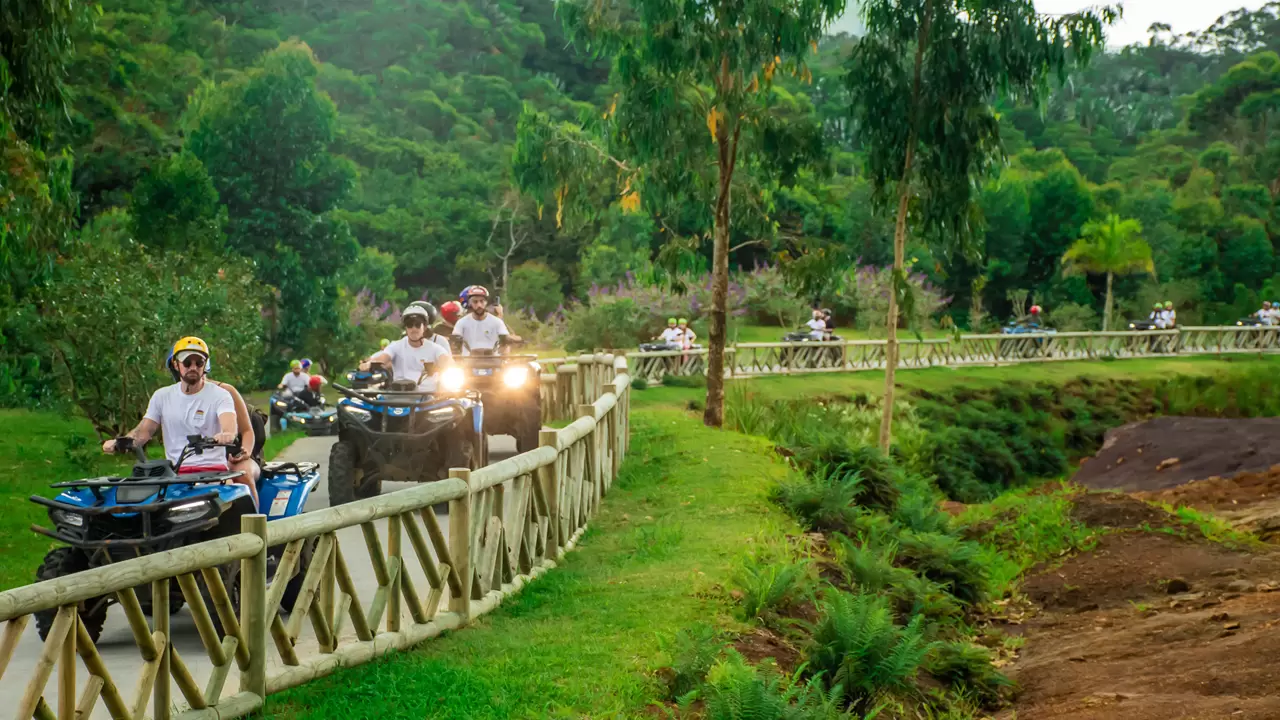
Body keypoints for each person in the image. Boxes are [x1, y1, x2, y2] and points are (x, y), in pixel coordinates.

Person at [105, 337, 256, 503]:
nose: (193, 367)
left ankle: (257, 525)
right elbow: (145, 431)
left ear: (205, 365)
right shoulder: (162, 396)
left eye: (199, 363)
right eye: (187, 362)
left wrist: (226, 434)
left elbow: (229, 425)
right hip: (174, 475)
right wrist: (121, 442)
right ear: (176, 365)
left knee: (236, 498)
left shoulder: (221, 395)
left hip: (214, 473)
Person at [362, 305, 452, 390]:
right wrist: (369, 364)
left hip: (428, 400)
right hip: (399, 397)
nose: (413, 329)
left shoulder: (435, 348)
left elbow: (446, 361)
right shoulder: (395, 346)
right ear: (406, 328)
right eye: (409, 325)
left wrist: (448, 367)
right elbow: (384, 357)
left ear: (424, 327)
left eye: (417, 325)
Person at [452, 285, 521, 355]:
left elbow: (505, 338)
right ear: (470, 303)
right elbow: (454, 343)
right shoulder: (461, 323)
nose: (479, 305)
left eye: (481, 301)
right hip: (468, 362)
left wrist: (515, 339)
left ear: (486, 302)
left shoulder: (497, 322)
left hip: (494, 362)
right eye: (475, 302)